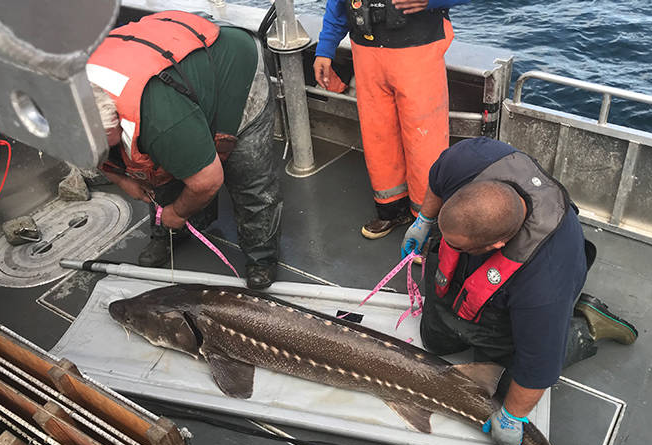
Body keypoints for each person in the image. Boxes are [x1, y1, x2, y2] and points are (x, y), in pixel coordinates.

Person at [414, 137, 638, 445]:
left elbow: (537, 365)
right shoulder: (469, 159)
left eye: (459, 246)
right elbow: (439, 178)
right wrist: (424, 220)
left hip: (528, 302)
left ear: (493, 248)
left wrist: (511, 417)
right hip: (479, 283)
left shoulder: (544, 281)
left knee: (506, 389)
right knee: (434, 343)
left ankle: (583, 327)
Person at [87, 10, 281, 289]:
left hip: (235, 71)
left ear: (114, 123)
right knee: (157, 169)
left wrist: (176, 213)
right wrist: (123, 180)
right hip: (174, 81)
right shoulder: (65, 100)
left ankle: (262, 257)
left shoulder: (161, 121)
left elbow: (208, 181)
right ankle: (172, 233)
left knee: (249, 175)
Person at [313, 0, 468, 240]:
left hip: (419, 51)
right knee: (378, 136)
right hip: (366, 56)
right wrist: (325, 49)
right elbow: (338, 5)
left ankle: (427, 223)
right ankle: (391, 209)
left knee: (425, 141)